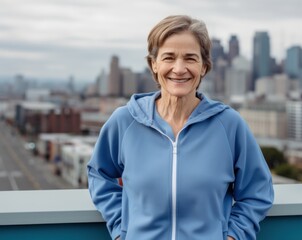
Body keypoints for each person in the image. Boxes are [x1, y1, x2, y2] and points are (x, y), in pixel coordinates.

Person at [87, 15, 274, 240]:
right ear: (153, 65)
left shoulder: (229, 125)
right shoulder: (125, 121)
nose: (179, 68)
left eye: (190, 58)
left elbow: (258, 191)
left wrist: (234, 236)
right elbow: (99, 174)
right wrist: (121, 229)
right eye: (169, 57)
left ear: (204, 67)